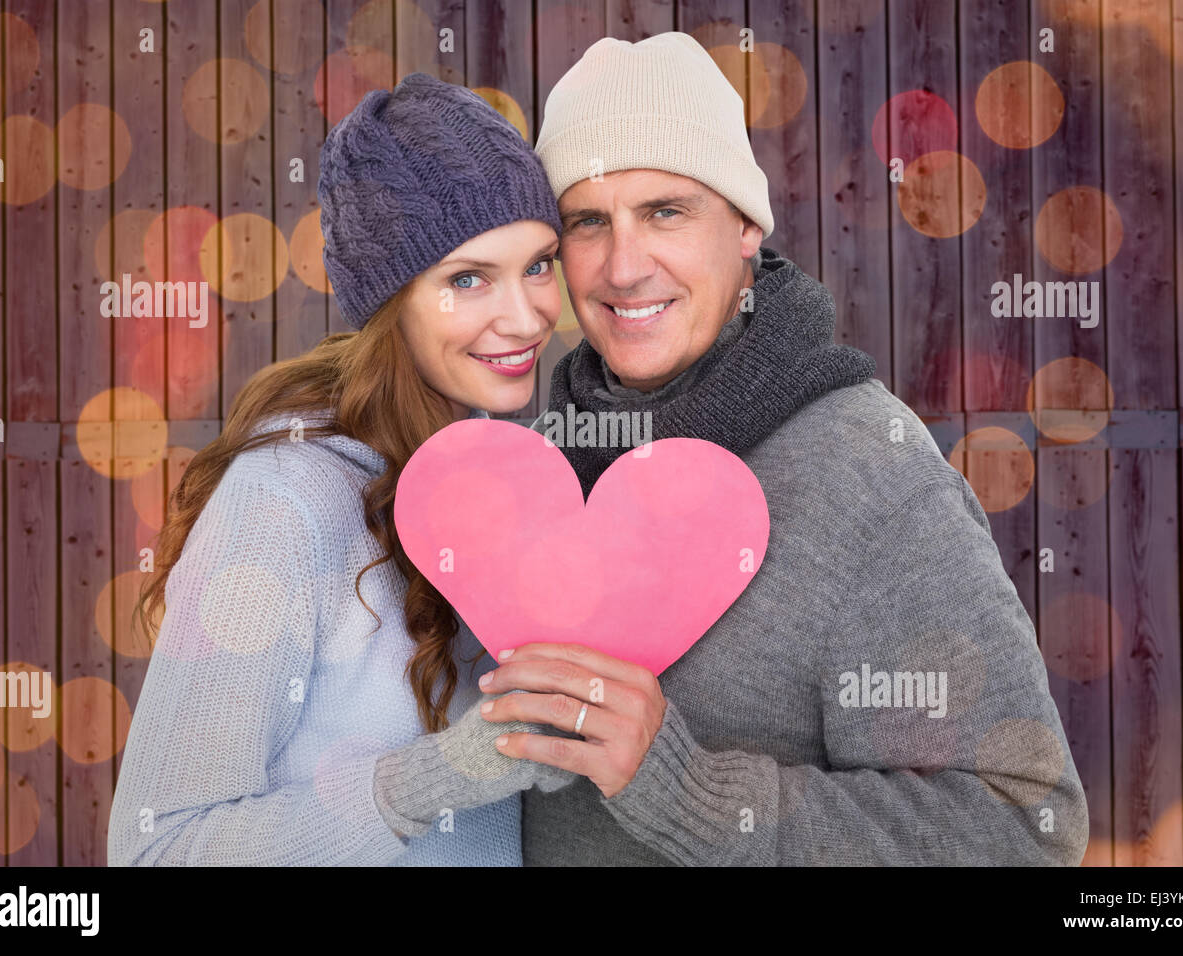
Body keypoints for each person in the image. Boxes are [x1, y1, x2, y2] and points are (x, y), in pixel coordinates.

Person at [473, 32, 1092, 866]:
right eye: (588, 222)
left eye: (666, 211)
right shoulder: (548, 461)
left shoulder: (868, 474)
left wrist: (689, 790)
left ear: (743, 229)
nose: (623, 267)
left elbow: (1024, 829)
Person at [107, 72, 576, 866]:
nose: (529, 315)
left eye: (538, 264)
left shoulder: (491, 486)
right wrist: (432, 781)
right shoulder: (285, 502)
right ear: (390, 301)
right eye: (468, 279)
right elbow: (156, 847)